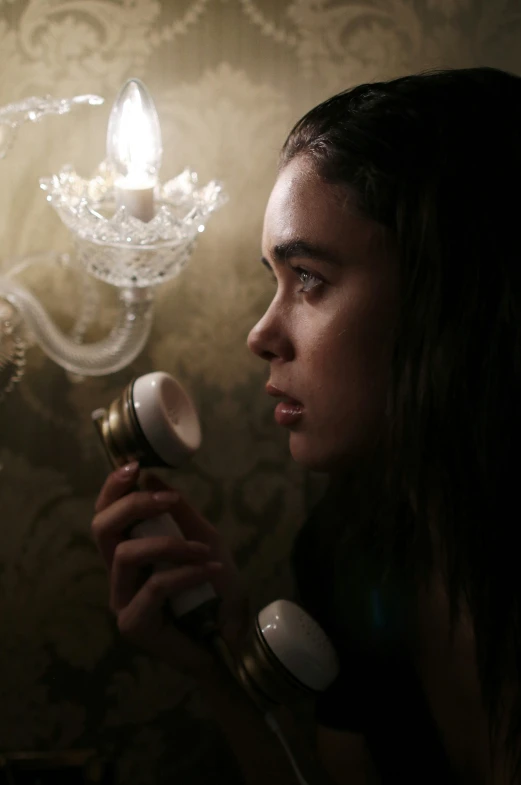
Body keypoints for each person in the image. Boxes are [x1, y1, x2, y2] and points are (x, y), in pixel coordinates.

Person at [91, 67, 521, 785]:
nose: (261, 334)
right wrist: (220, 659)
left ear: (449, 292)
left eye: (309, 279)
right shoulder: (348, 551)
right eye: (273, 279)